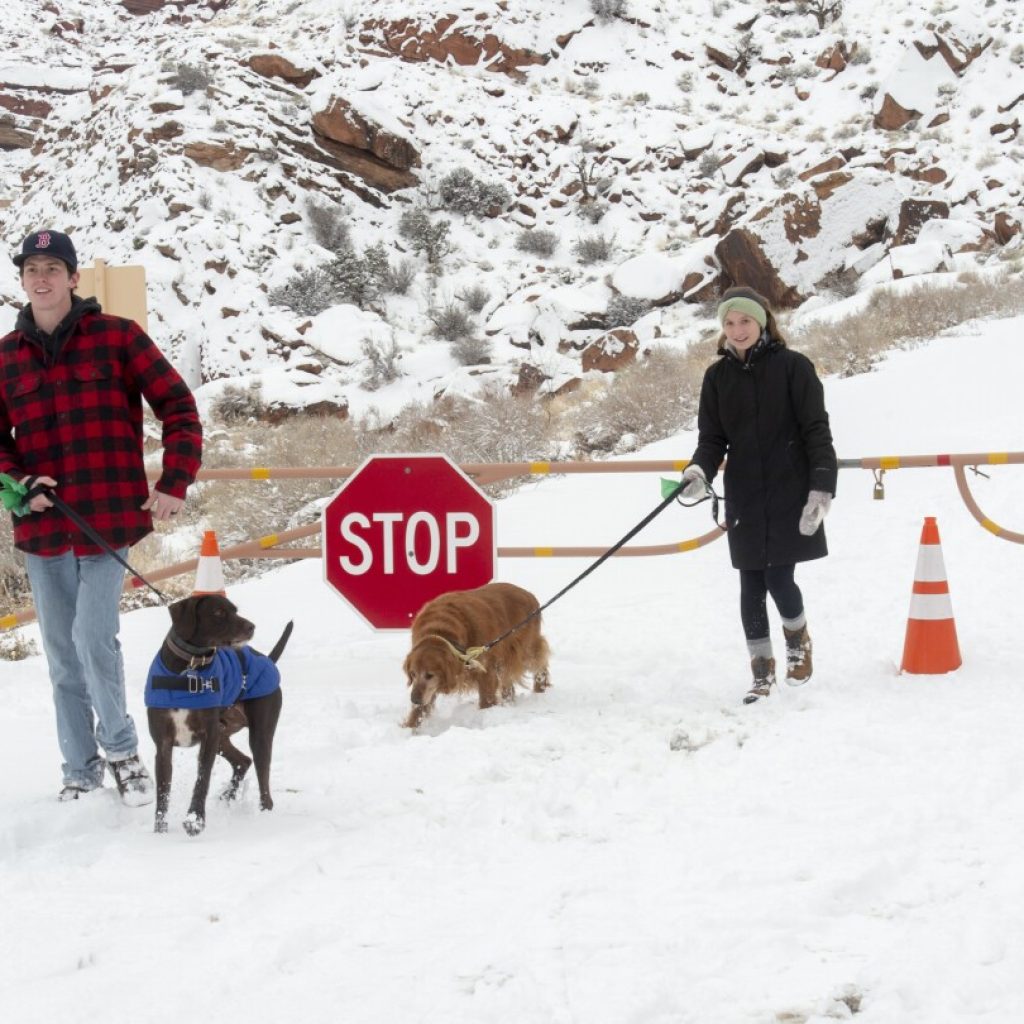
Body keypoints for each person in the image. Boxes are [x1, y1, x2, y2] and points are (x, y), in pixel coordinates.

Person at [0, 229, 202, 802]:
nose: (41, 278)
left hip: (106, 519)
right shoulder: (5, 357)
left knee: (93, 638)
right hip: (42, 527)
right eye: (31, 269)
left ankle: (122, 753)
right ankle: (79, 768)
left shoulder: (118, 338)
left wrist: (175, 481)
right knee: (62, 654)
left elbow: (180, 408)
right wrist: (19, 487)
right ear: (22, 280)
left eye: (52, 268)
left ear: (72, 278)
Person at [680, 285, 836, 705]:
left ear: (762, 320)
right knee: (750, 582)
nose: (737, 329)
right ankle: (761, 670)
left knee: (779, 577)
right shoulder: (717, 378)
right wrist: (699, 470)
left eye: (745, 320)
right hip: (745, 492)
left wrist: (821, 487)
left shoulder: (793, 367)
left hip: (790, 490)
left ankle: (797, 641)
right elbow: (712, 439)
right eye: (729, 323)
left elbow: (816, 431)